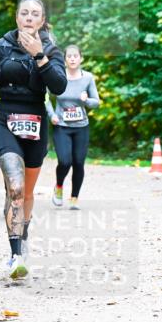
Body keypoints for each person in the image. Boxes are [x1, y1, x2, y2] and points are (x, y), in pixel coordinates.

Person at [0, 0, 66, 278]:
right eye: (24, 13)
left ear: (41, 20)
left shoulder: (51, 49)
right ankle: (15, 257)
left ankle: (22, 238)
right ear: (17, 18)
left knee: (26, 193)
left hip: (36, 124)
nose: (29, 17)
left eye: (34, 14)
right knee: (14, 187)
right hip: (5, 120)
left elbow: (59, 86)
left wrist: (40, 55)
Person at [46, 44, 100, 210]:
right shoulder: (58, 77)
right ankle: (59, 187)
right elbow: (45, 97)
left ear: (81, 58)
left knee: (78, 163)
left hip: (81, 127)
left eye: (75, 56)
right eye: (69, 56)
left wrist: (86, 100)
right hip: (61, 125)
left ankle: (74, 197)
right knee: (64, 161)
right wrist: (52, 115)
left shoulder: (88, 78)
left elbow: (96, 103)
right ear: (65, 60)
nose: (72, 59)